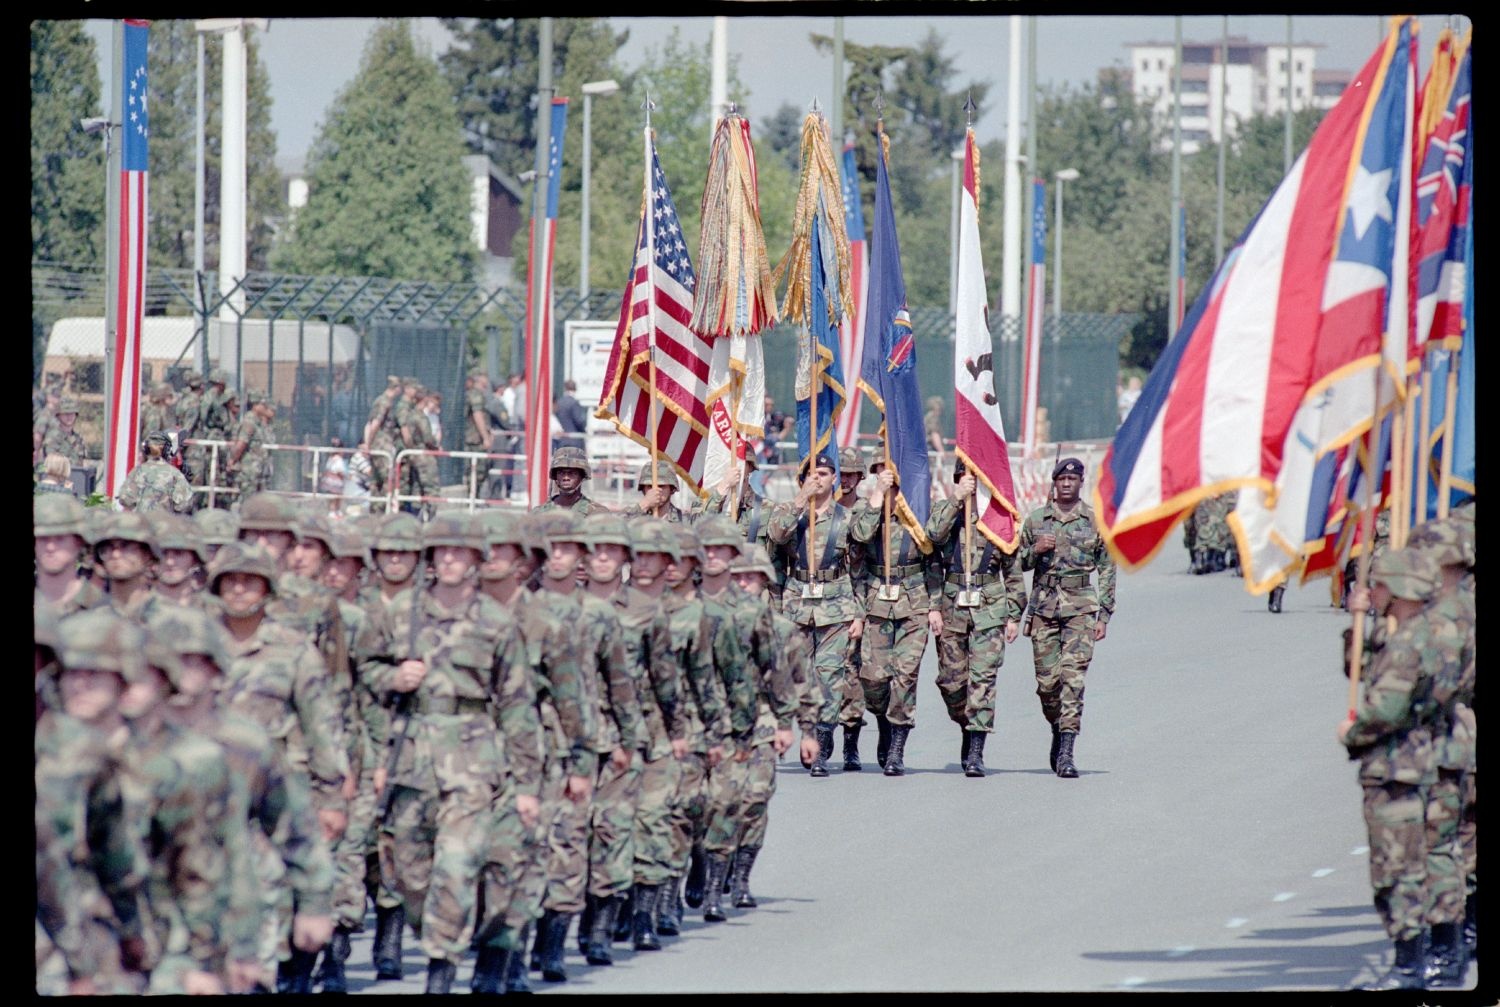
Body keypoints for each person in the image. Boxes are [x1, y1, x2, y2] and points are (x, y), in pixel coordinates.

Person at [358, 513, 542, 994]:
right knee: (406, 869)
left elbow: (518, 705)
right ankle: (446, 930)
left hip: (472, 756)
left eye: (461, 553)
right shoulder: (400, 614)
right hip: (411, 753)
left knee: (458, 864)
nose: (451, 561)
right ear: (432, 559)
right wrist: (393, 679)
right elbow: (365, 669)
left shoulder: (497, 623)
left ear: (477, 560)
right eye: (443, 553)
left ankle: (441, 968)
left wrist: (525, 786)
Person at [1340, 548, 1463, 990]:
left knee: (1397, 868)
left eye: (1376, 586)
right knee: (1423, 859)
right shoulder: (1424, 634)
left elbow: (1386, 706)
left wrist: (1352, 734)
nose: (1370, 592)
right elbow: (1362, 666)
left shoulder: (1409, 643)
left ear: (1395, 590)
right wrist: (1359, 627)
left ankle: (1410, 964)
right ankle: (1434, 953)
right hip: (1421, 762)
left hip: (1397, 767)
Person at [766, 453, 866, 777]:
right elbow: (776, 536)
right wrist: (800, 498)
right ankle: (808, 731)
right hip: (796, 606)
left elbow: (860, 570)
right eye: (813, 473)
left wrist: (859, 614)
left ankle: (821, 744)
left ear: (834, 478)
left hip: (836, 605)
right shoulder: (791, 512)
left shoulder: (846, 518)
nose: (819, 478)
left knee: (830, 677)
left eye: (824, 473)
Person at [1018, 457, 1116, 779]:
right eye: (1061, 479)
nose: (1066, 484)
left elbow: (1107, 566)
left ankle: (1067, 753)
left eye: (1072, 480)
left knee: (1072, 681)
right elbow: (1017, 561)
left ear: (1080, 483)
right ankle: (1058, 728)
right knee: (1048, 685)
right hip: (1045, 609)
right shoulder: (1036, 521)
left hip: (1080, 610)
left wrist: (1104, 613)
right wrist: (1036, 550)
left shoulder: (1093, 520)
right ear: (1054, 483)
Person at [851, 448, 945, 776]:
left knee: (905, 676)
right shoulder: (866, 509)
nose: (886, 476)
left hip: (914, 601)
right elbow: (860, 536)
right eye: (879, 470)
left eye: (890, 471)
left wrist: (935, 606)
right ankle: (882, 719)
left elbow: (934, 559)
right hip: (876, 600)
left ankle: (896, 749)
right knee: (874, 678)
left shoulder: (918, 511)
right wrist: (878, 496)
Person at [118, 431, 194, 514]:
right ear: (167, 451)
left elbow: (125, 499)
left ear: (146, 450)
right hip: (164, 524)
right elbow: (184, 504)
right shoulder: (175, 474)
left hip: (140, 523)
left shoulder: (137, 471)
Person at [226, 390, 275, 503]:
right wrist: (232, 460)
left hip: (258, 470)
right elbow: (241, 444)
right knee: (248, 502)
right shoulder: (250, 421)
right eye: (262, 404)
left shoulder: (258, 422)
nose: (264, 407)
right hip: (249, 471)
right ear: (255, 405)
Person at [532, 446, 608, 515]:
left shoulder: (596, 513)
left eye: (572, 473)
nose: (566, 478)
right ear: (555, 476)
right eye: (561, 473)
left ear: (582, 476)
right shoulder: (539, 513)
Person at [553, 379, 589, 452]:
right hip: (574, 440)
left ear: (565, 388)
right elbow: (580, 421)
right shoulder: (574, 403)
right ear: (575, 389)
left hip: (561, 440)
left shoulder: (559, 403)